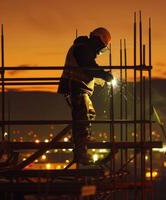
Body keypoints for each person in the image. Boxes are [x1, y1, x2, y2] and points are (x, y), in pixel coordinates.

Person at [57, 27, 113, 165]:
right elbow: (88, 66)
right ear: (97, 40)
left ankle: (81, 139)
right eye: (101, 47)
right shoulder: (82, 48)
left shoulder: (84, 49)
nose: (100, 51)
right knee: (82, 119)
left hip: (80, 88)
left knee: (89, 114)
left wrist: (99, 77)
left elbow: (88, 67)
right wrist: (104, 75)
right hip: (75, 87)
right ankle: (81, 152)